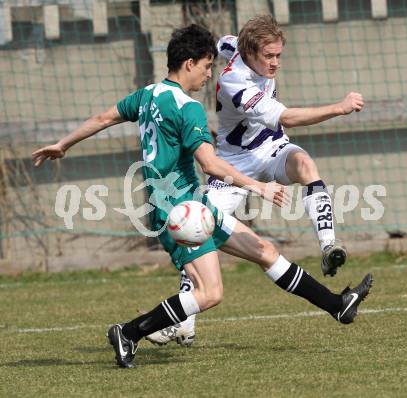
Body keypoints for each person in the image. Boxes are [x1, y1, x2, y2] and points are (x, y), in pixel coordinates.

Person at [32, 24, 373, 369]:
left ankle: (337, 305)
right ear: (190, 63)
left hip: (192, 206)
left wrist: (63, 144)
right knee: (209, 293)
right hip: (178, 213)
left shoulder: (148, 94)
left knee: (266, 252)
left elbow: (103, 117)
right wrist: (257, 186)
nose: (211, 75)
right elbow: (210, 163)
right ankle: (130, 332)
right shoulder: (189, 108)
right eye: (208, 66)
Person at [148, 15, 366, 346]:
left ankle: (328, 246)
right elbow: (287, 116)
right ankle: (182, 320)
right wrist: (340, 107)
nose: (275, 62)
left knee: (305, 164)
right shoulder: (236, 81)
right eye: (269, 56)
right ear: (251, 53)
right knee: (196, 230)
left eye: (279, 55)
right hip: (234, 162)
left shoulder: (235, 45)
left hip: (271, 147)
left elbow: (222, 41)